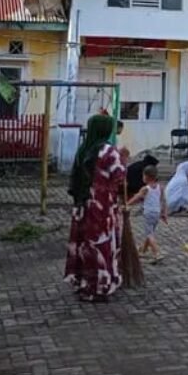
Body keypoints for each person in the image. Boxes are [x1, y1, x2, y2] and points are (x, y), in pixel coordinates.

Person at [65, 114, 126, 301]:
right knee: (101, 246)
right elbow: (119, 176)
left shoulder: (83, 149)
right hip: (102, 208)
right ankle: (99, 288)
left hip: (82, 206)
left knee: (84, 245)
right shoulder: (109, 151)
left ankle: (83, 283)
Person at [127, 165, 167, 263]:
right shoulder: (160, 187)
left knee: (149, 234)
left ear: (147, 176)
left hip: (148, 214)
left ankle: (157, 253)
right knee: (150, 233)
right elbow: (163, 201)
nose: (142, 177)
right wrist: (164, 213)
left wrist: (126, 203)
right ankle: (142, 250)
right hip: (156, 214)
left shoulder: (145, 189)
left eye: (143, 176)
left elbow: (137, 198)